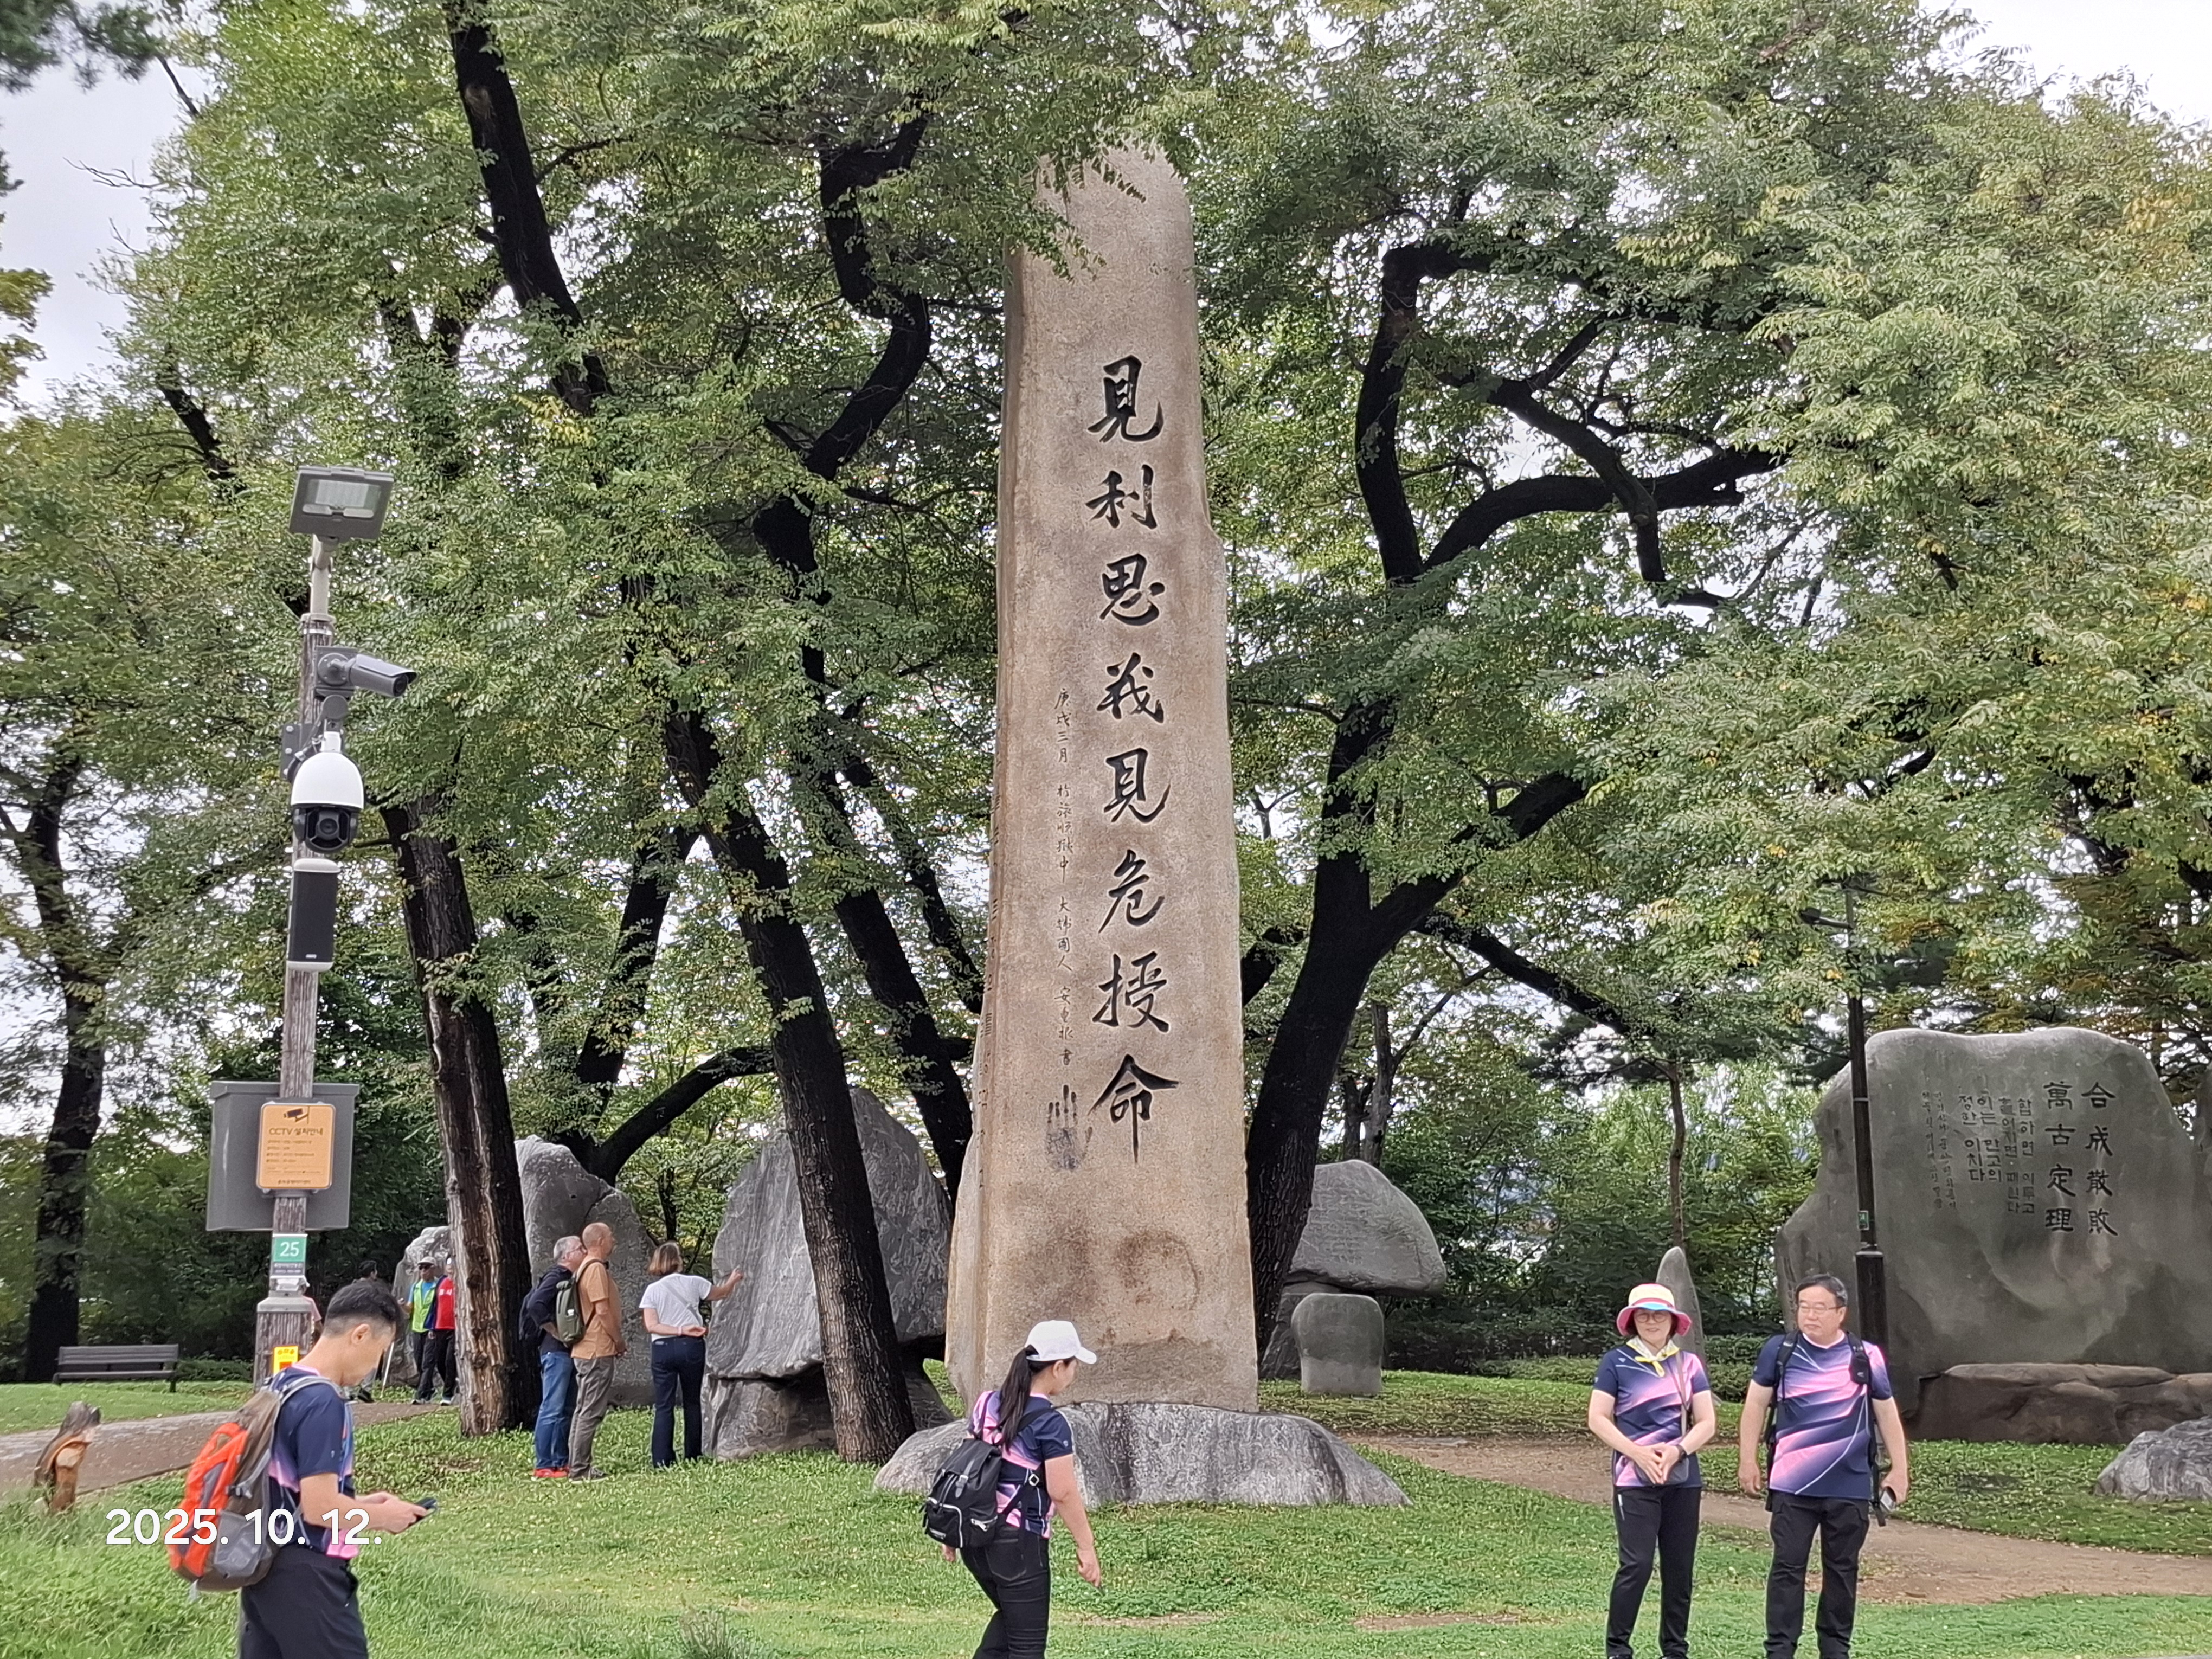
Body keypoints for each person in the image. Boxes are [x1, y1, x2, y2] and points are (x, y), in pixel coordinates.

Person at [239, 1279, 428, 1659]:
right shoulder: (323, 1401)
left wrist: (361, 1503)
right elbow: (320, 1509)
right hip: (308, 1574)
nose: (375, 1367)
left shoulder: (282, 1384)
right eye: (381, 1351)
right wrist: (383, 1518)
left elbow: (292, 1489)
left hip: (264, 1565)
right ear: (360, 1335)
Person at [1738, 1274, 1912, 1659]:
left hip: (1849, 1484)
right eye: (1804, 1307)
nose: (1810, 1315)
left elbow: (1886, 1412)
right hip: (1792, 1484)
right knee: (1787, 1568)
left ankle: (1835, 1649)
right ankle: (1780, 1649)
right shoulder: (1780, 1351)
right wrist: (1747, 1459)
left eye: (1820, 1308)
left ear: (1840, 1313)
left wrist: (1900, 1469)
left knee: (1842, 1569)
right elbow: (1755, 1405)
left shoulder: (1865, 1355)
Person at [944, 1320, 1103, 1659]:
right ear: (1058, 1368)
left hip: (975, 1539)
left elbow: (966, 1468)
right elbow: (1062, 1492)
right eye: (1073, 1364)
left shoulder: (987, 1403)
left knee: (1010, 1626)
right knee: (1026, 1648)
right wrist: (1086, 1546)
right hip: (1018, 1545)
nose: (1075, 1372)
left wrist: (953, 1532)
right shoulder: (1051, 1424)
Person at [1589, 1283, 1716, 1659]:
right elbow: (1598, 1417)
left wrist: (1678, 1451)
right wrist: (1637, 1454)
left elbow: (1707, 1421)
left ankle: (1675, 1649)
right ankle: (1618, 1649)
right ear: (1633, 1321)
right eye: (1643, 1315)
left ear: (1673, 1321)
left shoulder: (1688, 1364)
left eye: (1659, 1315)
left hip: (1682, 1479)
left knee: (1679, 1569)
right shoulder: (1616, 1362)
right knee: (1637, 1565)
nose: (1652, 1321)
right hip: (1633, 1480)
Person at [638, 1242, 742, 1469]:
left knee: (663, 1405)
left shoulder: (652, 1291)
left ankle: (662, 1459)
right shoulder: (695, 1283)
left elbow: (652, 1325)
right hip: (691, 1345)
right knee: (692, 1402)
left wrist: (676, 1330)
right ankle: (693, 1454)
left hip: (662, 1347)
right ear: (679, 1261)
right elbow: (722, 1293)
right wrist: (733, 1280)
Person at [520, 1234, 587, 1478]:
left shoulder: (570, 1278)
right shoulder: (556, 1276)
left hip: (566, 1352)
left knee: (566, 1408)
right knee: (552, 1407)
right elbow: (535, 1304)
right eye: (580, 1248)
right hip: (555, 1352)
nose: (584, 1252)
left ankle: (561, 1461)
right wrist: (556, 1332)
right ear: (567, 1255)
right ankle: (544, 1463)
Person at [566, 1221, 627, 1480]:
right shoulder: (595, 1269)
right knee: (590, 1411)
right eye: (610, 1236)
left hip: (585, 1349)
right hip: (596, 1349)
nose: (614, 1240)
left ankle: (576, 1464)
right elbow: (601, 1311)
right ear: (600, 1241)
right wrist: (618, 1340)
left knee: (582, 1409)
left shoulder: (583, 1268)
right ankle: (580, 1469)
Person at [411, 1261, 458, 1405]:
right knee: (439, 1361)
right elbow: (435, 1306)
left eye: (453, 1264)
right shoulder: (442, 1282)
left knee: (450, 1361)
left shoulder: (460, 1283)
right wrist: (431, 1326)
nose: (450, 1267)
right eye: (448, 1264)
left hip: (454, 1328)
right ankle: (451, 1385)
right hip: (439, 1327)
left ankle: (448, 1394)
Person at [404, 1262, 439, 1391]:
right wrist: (402, 1306)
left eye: (426, 1268)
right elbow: (410, 1307)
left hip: (431, 1329)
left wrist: (434, 1327)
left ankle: (422, 1392)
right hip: (417, 1328)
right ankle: (429, 1388)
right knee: (418, 1361)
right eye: (421, 1268)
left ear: (433, 1269)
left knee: (428, 1362)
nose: (423, 1271)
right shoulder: (416, 1287)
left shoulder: (438, 1286)